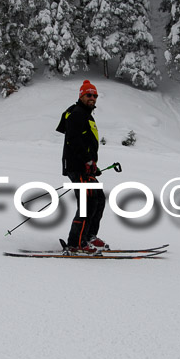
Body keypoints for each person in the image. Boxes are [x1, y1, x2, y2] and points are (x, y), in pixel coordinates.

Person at [56, 80, 109, 253]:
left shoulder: (86, 114)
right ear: (81, 96)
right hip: (77, 166)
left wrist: (93, 165)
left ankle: (88, 236)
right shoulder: (78, 113)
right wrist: (87, 161)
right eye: (89, 95)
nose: (92, 98)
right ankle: (76, 243)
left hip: (85, 166)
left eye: (95, 95)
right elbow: (73, 140)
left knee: (98, 199)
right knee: (88, 202)